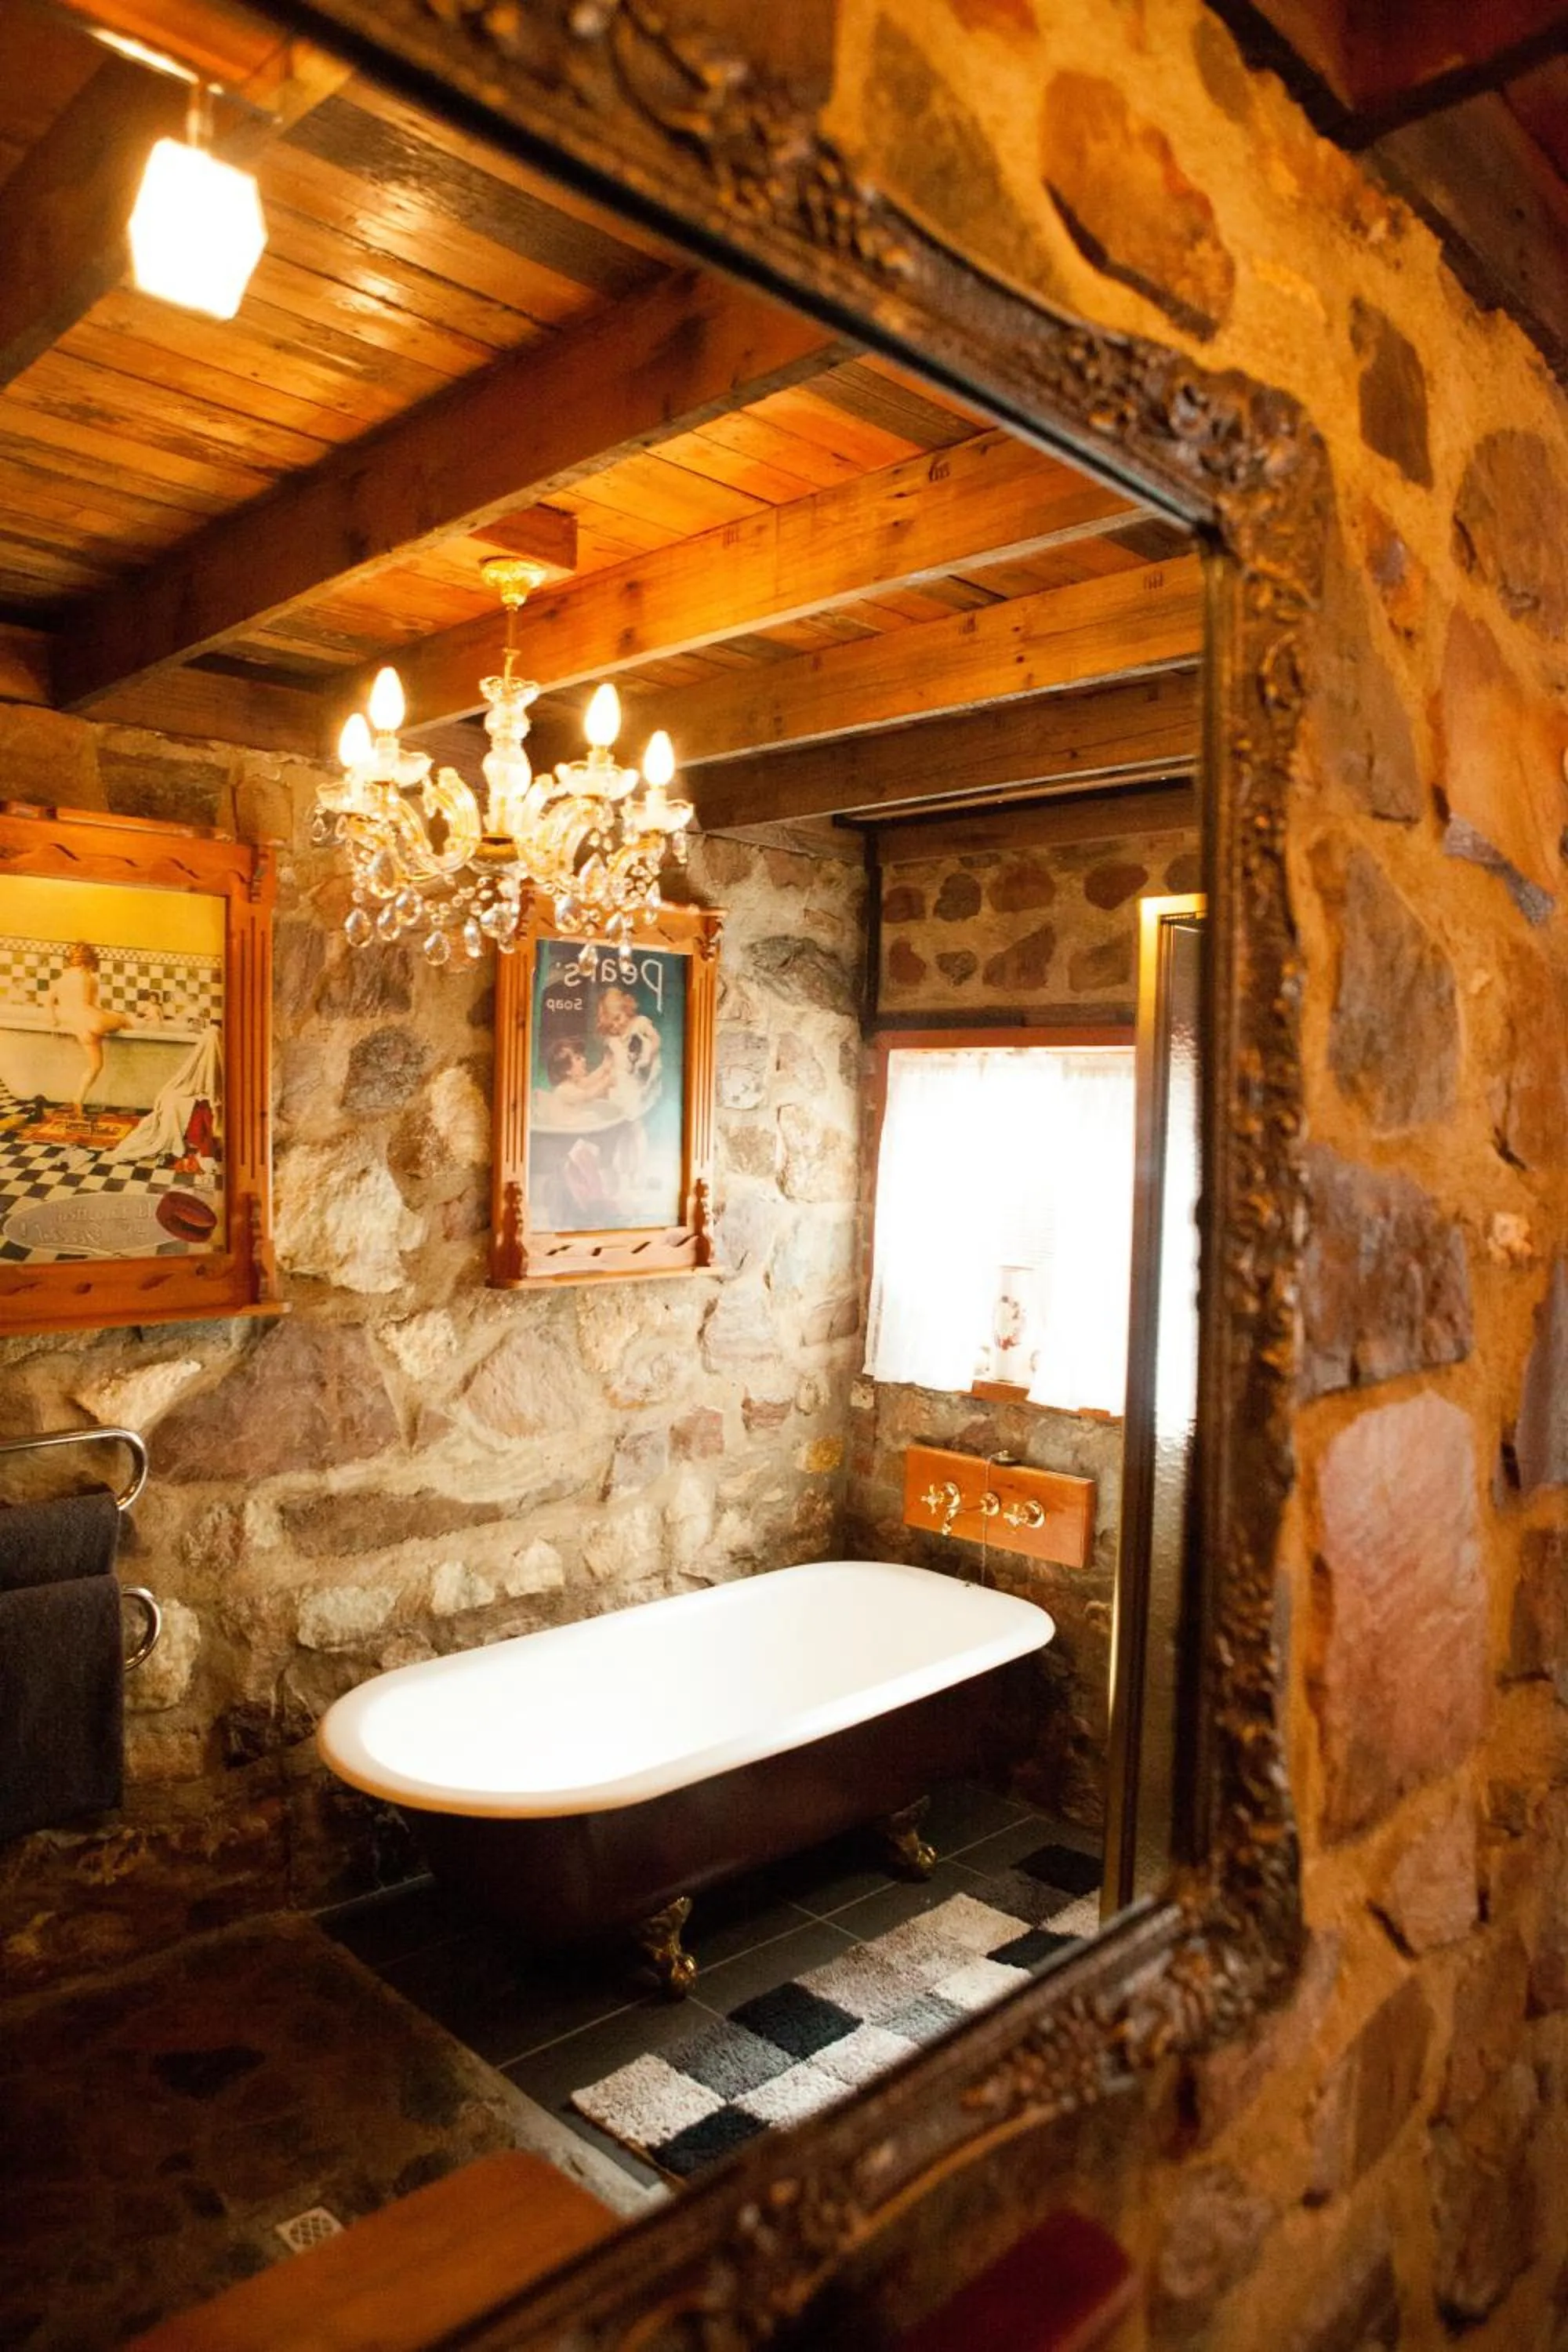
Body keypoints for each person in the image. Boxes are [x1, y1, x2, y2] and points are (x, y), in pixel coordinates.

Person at [45, 944, 136, 1117]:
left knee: (95, 1065)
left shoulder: (61, 980)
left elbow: (48, 1001)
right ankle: (134, 1051)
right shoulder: (88, 978)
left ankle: (78, 1098)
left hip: (78, 1027)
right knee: (124, 1019)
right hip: (93, 1021)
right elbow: (91, 1005)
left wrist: (53, 1020)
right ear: (89, 963)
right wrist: (110, 1016)